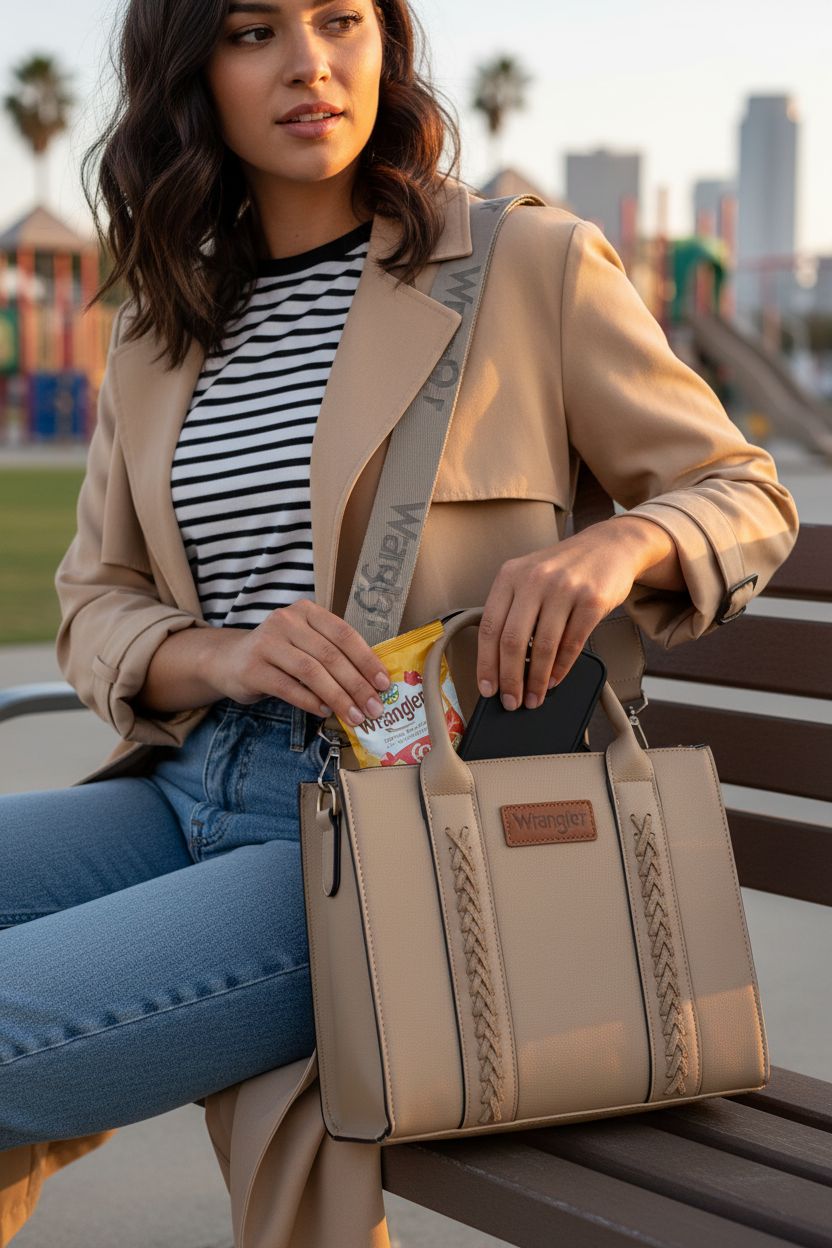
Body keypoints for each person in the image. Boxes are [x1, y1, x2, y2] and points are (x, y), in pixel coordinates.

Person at [0, 0, 799, 1242]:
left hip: (399, 829)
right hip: (180, 784)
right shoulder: (161, 326)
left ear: (388, 43)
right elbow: (95, 600)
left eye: (341, 20)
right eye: (255, 30)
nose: (311, 65)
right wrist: (217, 651)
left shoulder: (521, 264)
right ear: (188, 70)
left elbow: (742, 492)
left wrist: (615, 542)